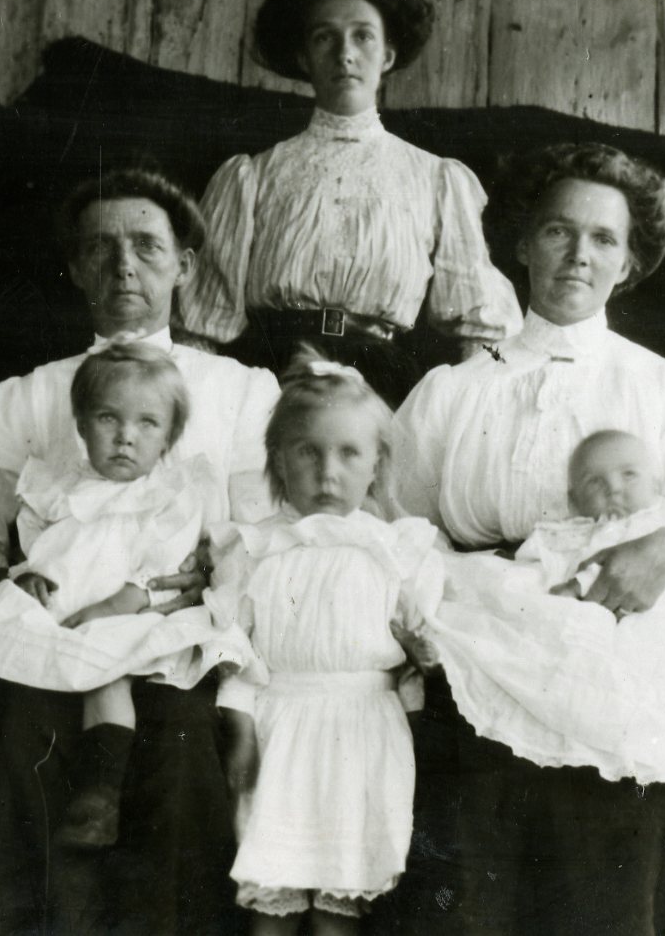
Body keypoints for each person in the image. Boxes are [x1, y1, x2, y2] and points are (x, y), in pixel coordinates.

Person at [389, 142, 665, 935]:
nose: (579, 255)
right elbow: (397, 523)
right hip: (477, 635)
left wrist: (663, 550)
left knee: (609, 863)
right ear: (522, 244)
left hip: (614, 627)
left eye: (603, 239)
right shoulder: (451, 393)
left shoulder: (664, 385)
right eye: (558, 232)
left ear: (627, 264)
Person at [0, 167, 280, 934]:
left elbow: (258, 546)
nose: (124, 265)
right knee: (10, 750)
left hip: (175, 655)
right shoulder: (23, 399)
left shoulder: (241, 393)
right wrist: (0, 584)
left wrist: (186, 604)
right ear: (74, 267)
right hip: (49, 648)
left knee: (183, 760)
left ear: (184, 266)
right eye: (100, 248)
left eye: (147, 246)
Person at [0, 341, 253, 850]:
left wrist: (108, 608)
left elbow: (161, 568)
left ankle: (100, 796)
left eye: (147, 424)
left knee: (109, 678)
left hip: (129, 615)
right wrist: (25, 579)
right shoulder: (58, 485)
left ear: (169, 436)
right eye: (108, 419)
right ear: (81, 425)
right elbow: (41, 548)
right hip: (61, 611)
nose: (125, 438)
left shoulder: (172, 494)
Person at [178, 0, 521, 405]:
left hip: (382, 382)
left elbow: (481, 323)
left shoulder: (436, 179)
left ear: (388, 56)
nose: (345, 53)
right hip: (269, 376)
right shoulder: (252, 177)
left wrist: (480, 409)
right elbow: (200, 325)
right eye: (325, 37)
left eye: (363, 36)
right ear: (304, 58)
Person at [206, 355, 442, 934]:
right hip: (277, 729)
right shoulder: (254, 549)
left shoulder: (398, 552)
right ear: (279, 461)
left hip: (364, 734)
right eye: (307, 452)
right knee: (274, 888)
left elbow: (416, 661)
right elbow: (235, 646)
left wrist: (423, 669)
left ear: (376, 465)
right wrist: (237, 723)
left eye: (348, 454)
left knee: (341, 900)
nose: (327, 472)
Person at [424, 428, 665, 787]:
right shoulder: (575, 533)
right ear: (575, 501)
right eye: (595, 482)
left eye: (629, 475)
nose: (613, 489)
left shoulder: (652, 528)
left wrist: (577, 585)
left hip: (650, 611)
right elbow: (562, 564)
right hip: (589, 607)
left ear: (657, 484)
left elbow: (609, 570)